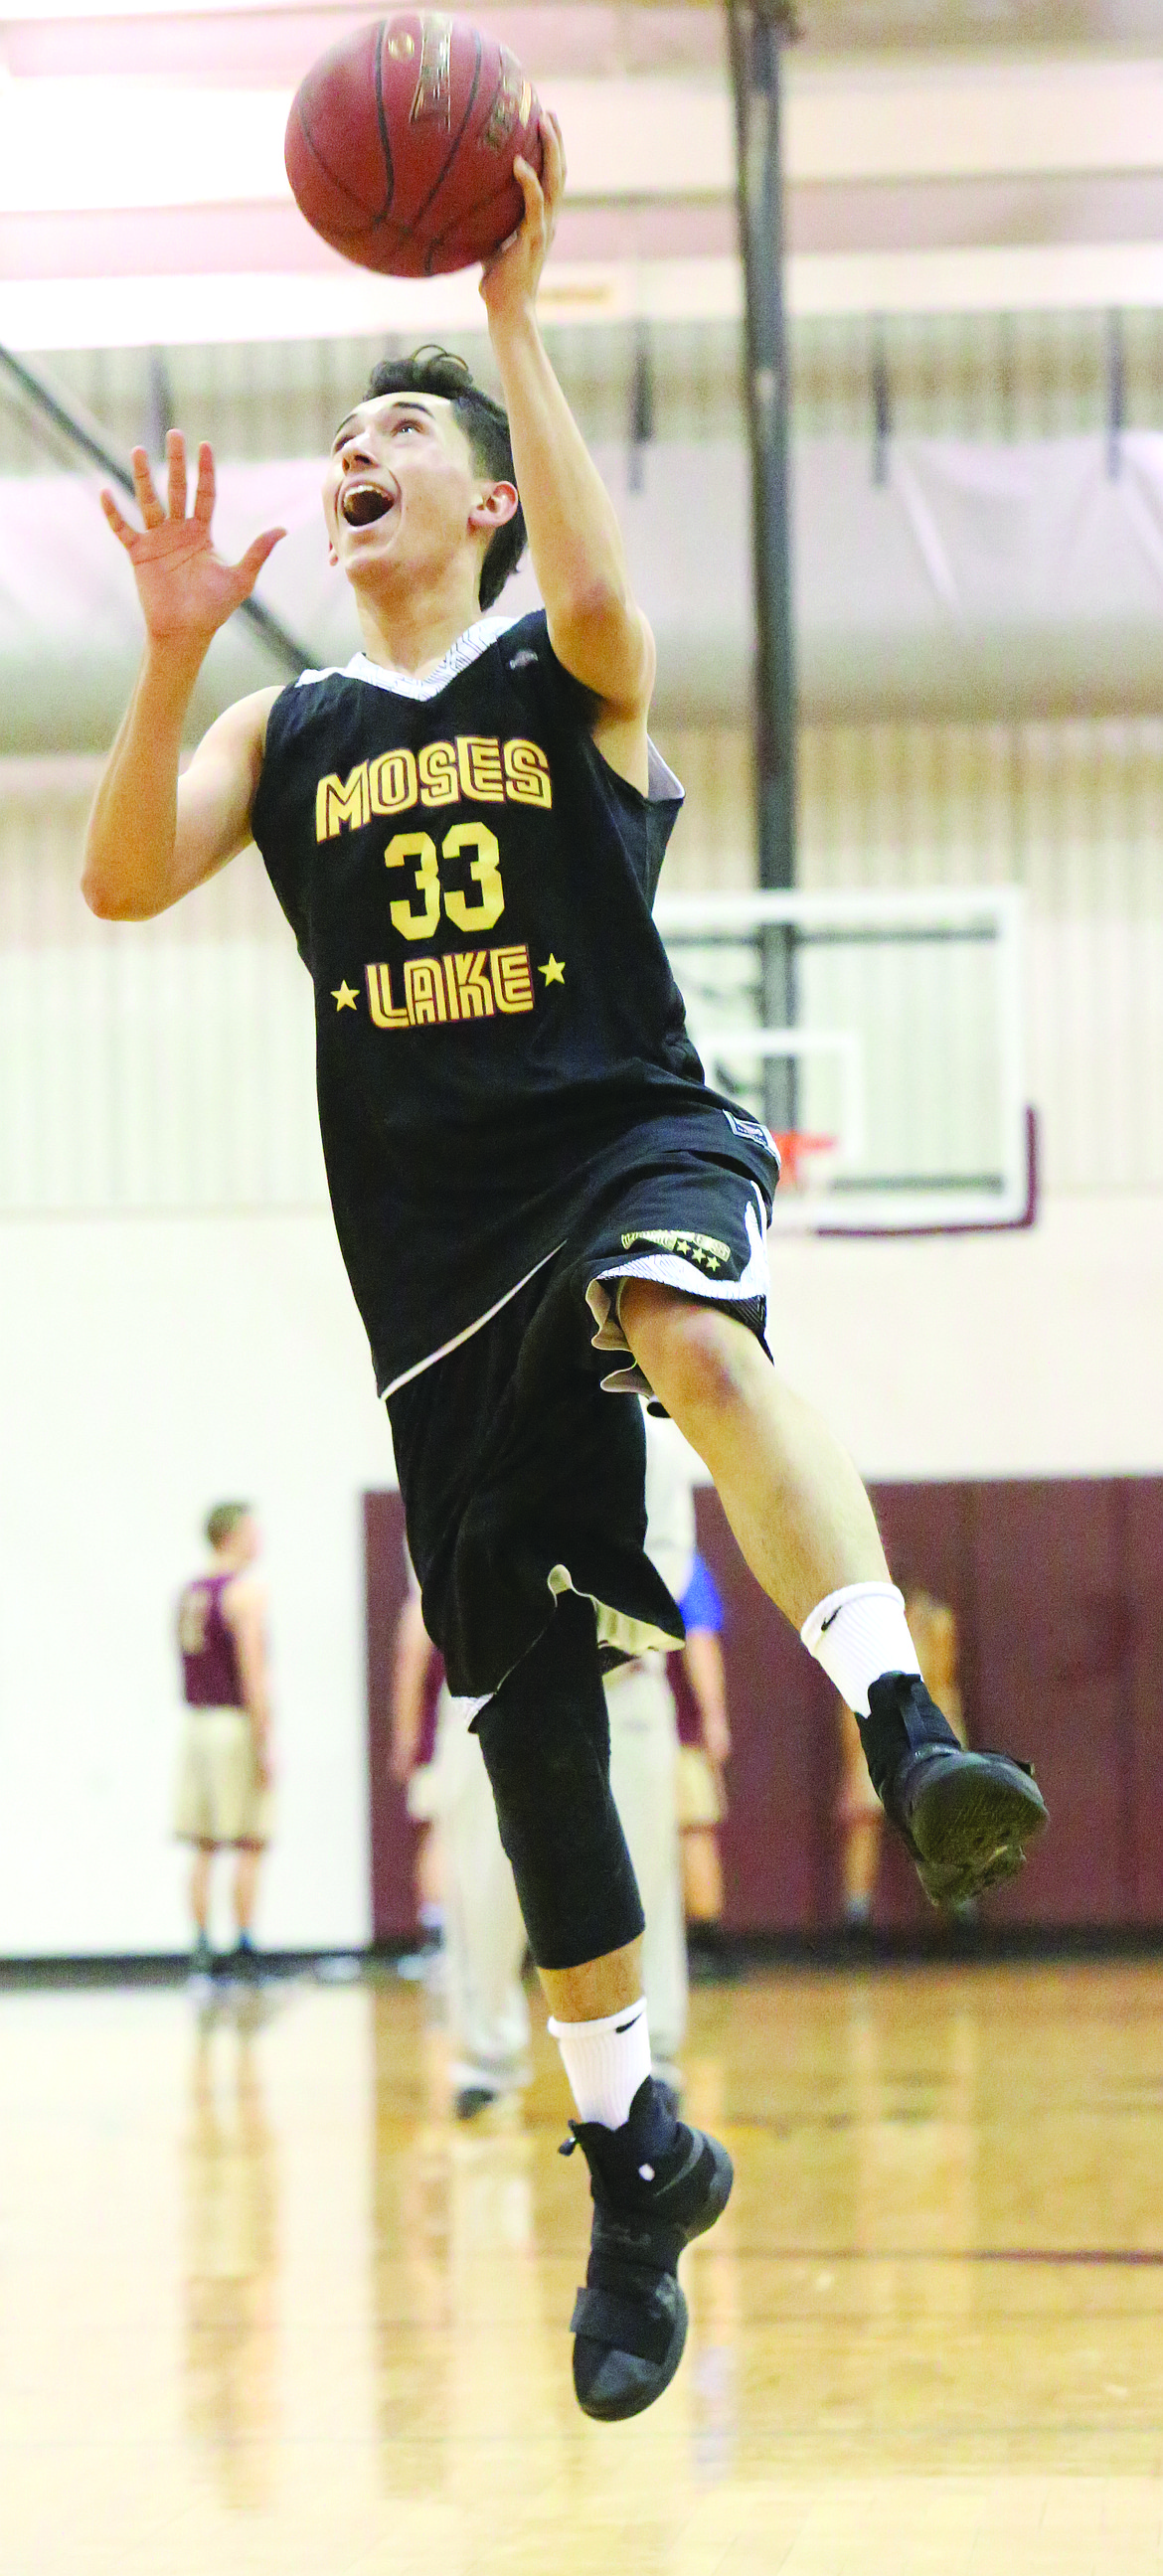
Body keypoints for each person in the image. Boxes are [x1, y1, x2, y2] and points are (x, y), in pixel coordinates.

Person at [83, 113, 1046, 2422]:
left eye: (401, 434)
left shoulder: (555, 683)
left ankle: (907, 1736)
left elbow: (615, 614)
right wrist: (164, 653)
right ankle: (633, 2141)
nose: (358, 456)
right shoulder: (285, 728)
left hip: (621, 1135)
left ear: (487, 495)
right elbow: (124, 878)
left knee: (688, 1314)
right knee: (526, 1723)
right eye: (349, 441)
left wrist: (507, 320)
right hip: (429, 1260)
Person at [393, 1407, 694, 2119]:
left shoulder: (651, 1442)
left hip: (623, 1685)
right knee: (482, 1884)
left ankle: (657, 2064)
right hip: (491, 1687)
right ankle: (485, 2060)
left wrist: (574, 1646)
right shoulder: (453, 1427)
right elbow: (433, 1580)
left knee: (646, 1878)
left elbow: (669, 1572)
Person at [175, 1504, 273, 1980]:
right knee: (250, 1839)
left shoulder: (190, 1593)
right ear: (231, 1534)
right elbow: (253, 1673)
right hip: (232, 1724)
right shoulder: (244, 1592)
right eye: (253, 1531)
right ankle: (244, 1949)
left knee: (204, 1843)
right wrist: (265, 1739)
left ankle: (199, 1950)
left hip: (195, 1724)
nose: (259, 1540)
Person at [837, 1583, 968, 1936]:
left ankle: (961, 1912)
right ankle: (856, 1916)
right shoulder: (857, 1626)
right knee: (864, 1817)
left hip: (926, 1730)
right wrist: (855, 1758)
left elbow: (943, 1687)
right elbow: (851, 1695)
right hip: (878, 1730)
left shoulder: (936, 1623)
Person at [671, 1550, 735, 1979]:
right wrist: (714, 1715)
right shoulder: (682, 1563)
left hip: (606, 1726)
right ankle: (705, 1942)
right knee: (694, 1827)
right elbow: (700, 1642)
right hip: (677, 1732)